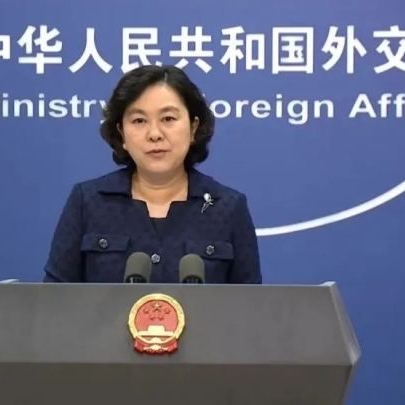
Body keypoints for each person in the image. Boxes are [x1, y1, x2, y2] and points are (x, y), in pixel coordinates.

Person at [42, 65, 262, 284]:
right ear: (122, 133)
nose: (154, 134)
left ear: (193, 127)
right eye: (139, 120)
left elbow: (250, 302)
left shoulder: (228, 208)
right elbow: (54, 298)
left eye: (168, 119)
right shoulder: (88, 202)